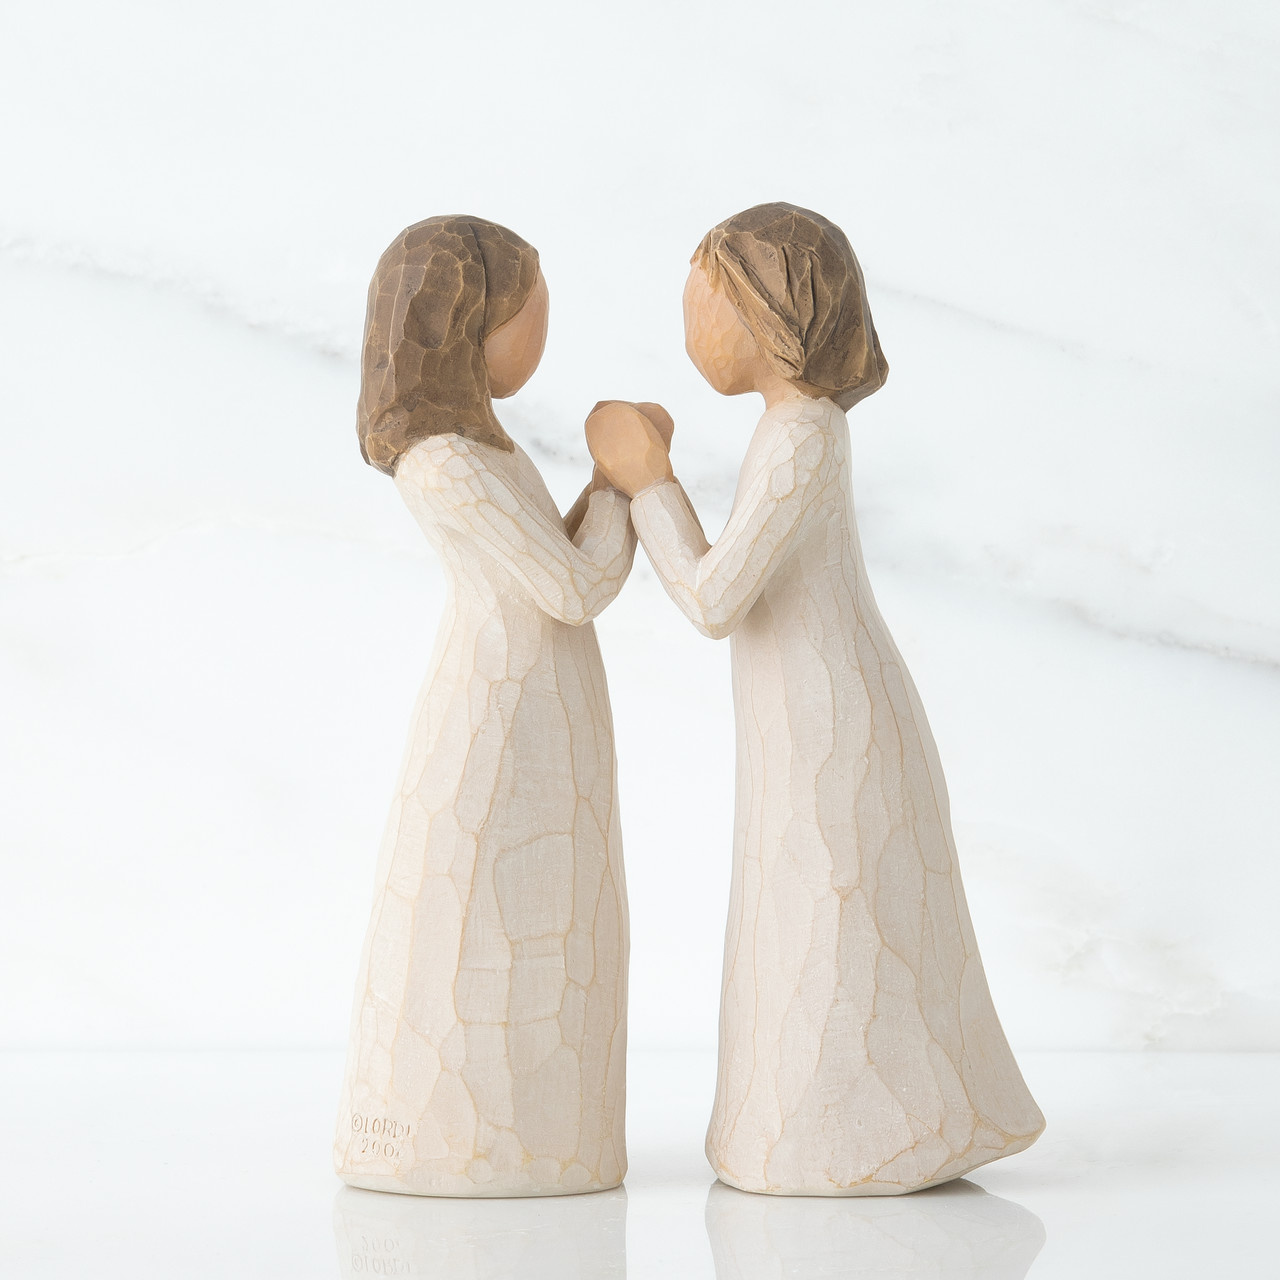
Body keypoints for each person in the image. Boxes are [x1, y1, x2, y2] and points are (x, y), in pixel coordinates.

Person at [587, 203, 1044, 1195]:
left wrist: (647, 481)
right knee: (806, 921)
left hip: (833, 724)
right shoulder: (789, 430)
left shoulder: (801, 437)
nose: (688, 329)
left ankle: (862, 1133)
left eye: (702, 303)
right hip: (805, 714)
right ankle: (816, 1129)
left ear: (772, 314)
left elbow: (714, 598)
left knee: (832, 924)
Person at [336, 216, 635, 1196]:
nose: (539, 335)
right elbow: (575, 586)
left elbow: (553, 557)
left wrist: (604, 485)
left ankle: (539, 1130)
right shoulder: (447, 461)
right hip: (502, 718)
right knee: (481, 920)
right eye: (531, 311)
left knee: (541, 920)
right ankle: (454, 1136)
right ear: (471, 315)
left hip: (539, 702)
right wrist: (628, 485)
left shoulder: (480, 446)